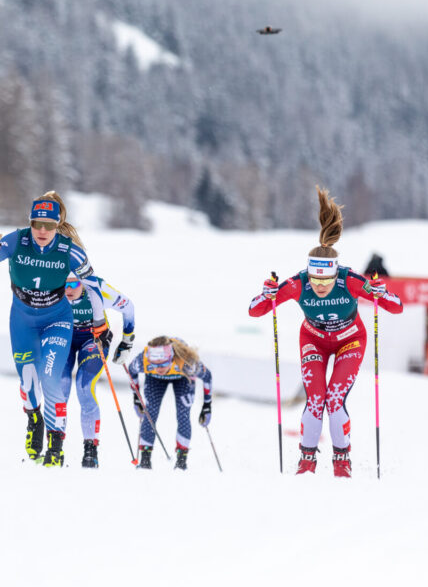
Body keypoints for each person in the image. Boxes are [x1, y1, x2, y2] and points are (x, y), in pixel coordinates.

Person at [248, 186, 403, 477]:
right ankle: (307, 460)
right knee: (316, 399)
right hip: (313, 342)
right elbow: (255, 310)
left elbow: (396, 307)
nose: (320, 287)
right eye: (316, 280)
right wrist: (267, 294)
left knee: (334, 399)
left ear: (336, 273)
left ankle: (342, 460)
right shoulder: (298, 284)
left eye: (327, 281)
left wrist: (381, 292)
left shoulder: (351, 281)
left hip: (350, 341)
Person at [0, 190, 105, 467]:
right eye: (37, 224)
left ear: (58, 225)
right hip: (22, 321)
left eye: (49, 226)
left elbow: (94, 286)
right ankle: (34, 420)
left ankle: (56, 445)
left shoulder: (70, 251)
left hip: (57, 320)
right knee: (29, 380)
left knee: (50, 375)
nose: (42, 231)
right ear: (29, 222)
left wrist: (100, 322)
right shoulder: (16, 241)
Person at [59, 272, 136, 468]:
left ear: (83, 283)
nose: (68, 289)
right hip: (64, 337)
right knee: (61, 388)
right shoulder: (51, 282)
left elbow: (128, 307)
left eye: (74, 283)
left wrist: (127, 341)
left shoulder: (98, 289)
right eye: (64, 284)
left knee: (84, 387)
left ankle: (90, 449)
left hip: (93, 340)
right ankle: (55, 446)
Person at [127, 337, 213, 470]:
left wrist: (207, 406)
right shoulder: (143, 361)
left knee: (183, 414)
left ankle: (181, 462)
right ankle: (145, 461)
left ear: (171, 358)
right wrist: (136, 398)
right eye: (155, 364)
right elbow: (131, 371)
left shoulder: (186, 362)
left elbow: (207, 377)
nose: (159, 368)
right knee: (150, 413)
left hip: (182, 378)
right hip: (154, 380)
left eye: (163, 364)